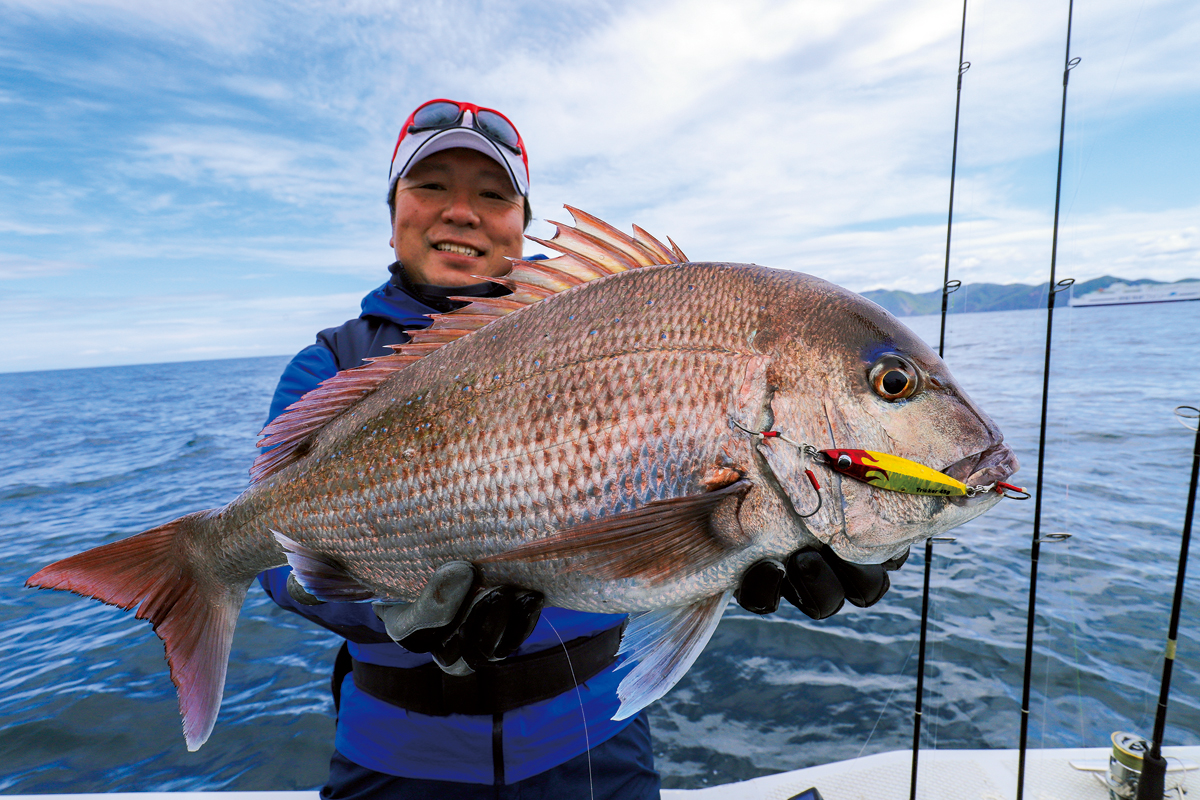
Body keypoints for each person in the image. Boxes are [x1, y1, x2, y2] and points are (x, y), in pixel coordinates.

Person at [259, 98, 904, 799]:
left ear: (523, 224)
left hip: (595, 742)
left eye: (492, 194)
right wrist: (378, 606)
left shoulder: (604, 324)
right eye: (432, 185)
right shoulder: (330, 369)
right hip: (395, 756)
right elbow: (268, 551)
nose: (461, 211)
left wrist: (816, 522)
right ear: (392, 216)